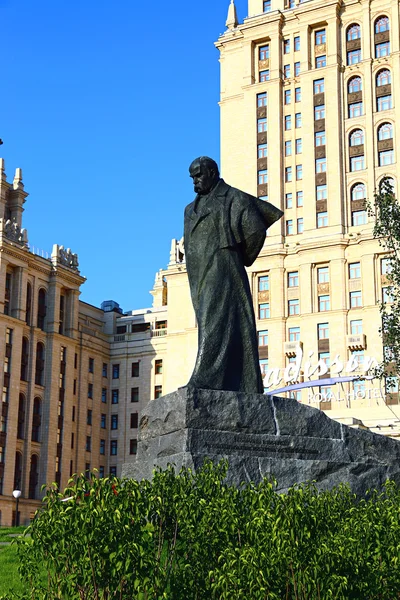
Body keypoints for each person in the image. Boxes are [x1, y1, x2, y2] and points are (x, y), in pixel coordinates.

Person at [184, 156, 283, 393]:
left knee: (214, 322)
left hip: (223, 267)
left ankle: (205, 379)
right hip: (199, 272)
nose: (195, 181)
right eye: (192, 177)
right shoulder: (190, 209)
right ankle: (230, 382)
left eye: (198, 175)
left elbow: (255, 230)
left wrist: (237, 256)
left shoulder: (232, 197)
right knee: (212, 322)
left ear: (212, 172)